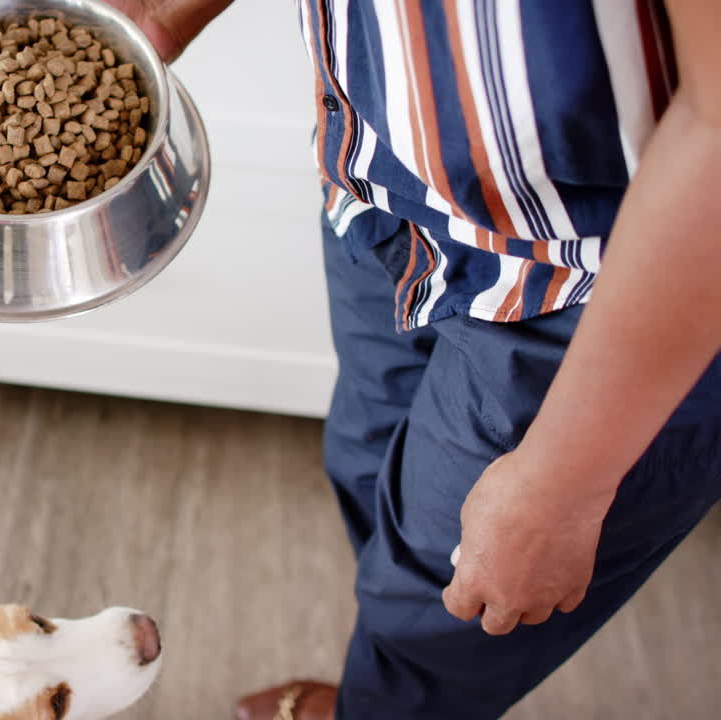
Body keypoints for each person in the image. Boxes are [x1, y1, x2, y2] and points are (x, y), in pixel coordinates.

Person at [100, 1, 721, 718]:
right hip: (382, 187)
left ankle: (395, 699)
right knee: (368, 467)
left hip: (596, 288)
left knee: (449, 611)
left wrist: (563, 486)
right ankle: (385, 685)